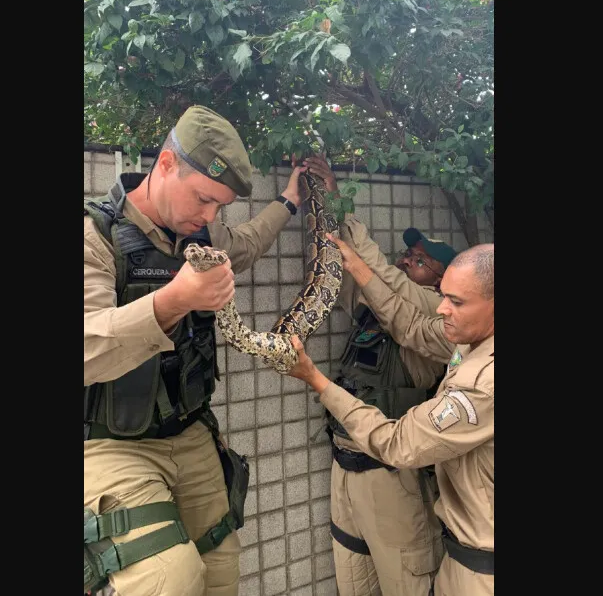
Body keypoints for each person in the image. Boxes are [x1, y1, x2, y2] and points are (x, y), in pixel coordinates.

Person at [83, 105, 310, 596]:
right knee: (166, 578)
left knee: (222, 570)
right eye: (204, 199)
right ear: (165, 164)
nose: (209, 217)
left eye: (220, 208)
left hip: (191, 433)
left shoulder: (201, 234)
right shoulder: (95, 237)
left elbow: (245, 244)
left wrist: (290, 201)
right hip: (111, 443)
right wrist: (173, 301)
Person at [286, 240, 494, 596]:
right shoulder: (467, 339)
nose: (442, 309)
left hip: (479, 567)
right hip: (458, 554)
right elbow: (409, 323)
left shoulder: (485, 385)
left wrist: (315, 380)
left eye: (456, 301)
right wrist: (360, 270)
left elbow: (399, 444)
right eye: (443, 297)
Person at [301, 155, 457, 596]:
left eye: (422, 259)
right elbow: (338, 269)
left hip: (392, 479)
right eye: (409, 252)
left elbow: (389, 287)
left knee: (406, 582)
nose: (408, 260)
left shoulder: (439, 324)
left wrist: (351, 225)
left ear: (446, 284)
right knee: (353, 581)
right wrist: (326, 197)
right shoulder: (376, 307)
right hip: (346, 467)